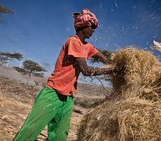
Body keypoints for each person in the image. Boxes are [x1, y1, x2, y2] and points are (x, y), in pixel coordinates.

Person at [13, 8, 120, 141]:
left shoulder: (88, 46)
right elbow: (85, 70)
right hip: (52, 93)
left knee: (59, 136)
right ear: (84, 26)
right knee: (30, 131)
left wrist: (118, 63)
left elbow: (105, 59)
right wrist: (113, 70)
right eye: (92, 26)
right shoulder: (74, 41)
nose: (94, 30)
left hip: (68, 97)